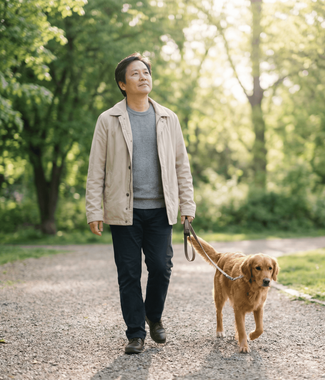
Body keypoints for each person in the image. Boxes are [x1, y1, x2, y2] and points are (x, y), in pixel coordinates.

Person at [85, 53, 196, 354]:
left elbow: (181, 165)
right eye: (135, 74)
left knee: (161, 268)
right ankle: (136, 333)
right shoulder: (108, 120)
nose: (143, 77)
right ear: (123, 84)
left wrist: (188, 205)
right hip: (124, 212)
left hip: (161, 210)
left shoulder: (168, 118)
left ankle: (153, 316)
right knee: (129, 273)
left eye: (145, 72)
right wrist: (94, 210)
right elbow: (97, 169)